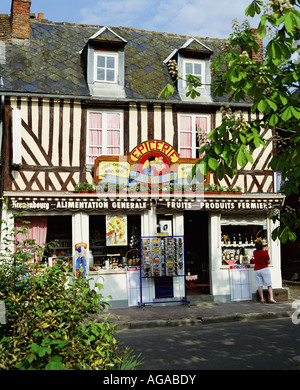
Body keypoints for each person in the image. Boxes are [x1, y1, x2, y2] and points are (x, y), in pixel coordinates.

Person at [253, 238, 276, 303]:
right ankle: (271, 298)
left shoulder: (254, 252)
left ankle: (262, 299)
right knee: (269, 284)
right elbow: (268, 262)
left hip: (257, 270)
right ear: (262, 246)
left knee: (259, 285)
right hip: (264, 269)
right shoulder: (265, 253)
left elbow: (259, 252)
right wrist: (265, 250)